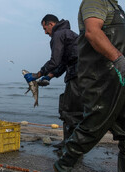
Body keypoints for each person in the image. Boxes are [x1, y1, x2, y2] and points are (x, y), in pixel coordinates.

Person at [53, 1, 125, 172]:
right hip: (103, 78)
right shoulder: (96, 1)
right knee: (94, 124)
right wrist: (119, 59)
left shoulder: (116, 8)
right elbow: (92, 32)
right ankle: (64, 162)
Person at [24, 14, 83, 148]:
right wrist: (49, 76)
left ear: (51, 24)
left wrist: (37, 74)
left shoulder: (58, 34)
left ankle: (71, 145)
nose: (45, 33)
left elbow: (55, 60)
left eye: (45, 28)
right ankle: (73, 142)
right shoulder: (69, 33)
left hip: (77, 74)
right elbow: (64, 61)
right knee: (77, 109)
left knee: (69, 109)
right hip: (83, 73)